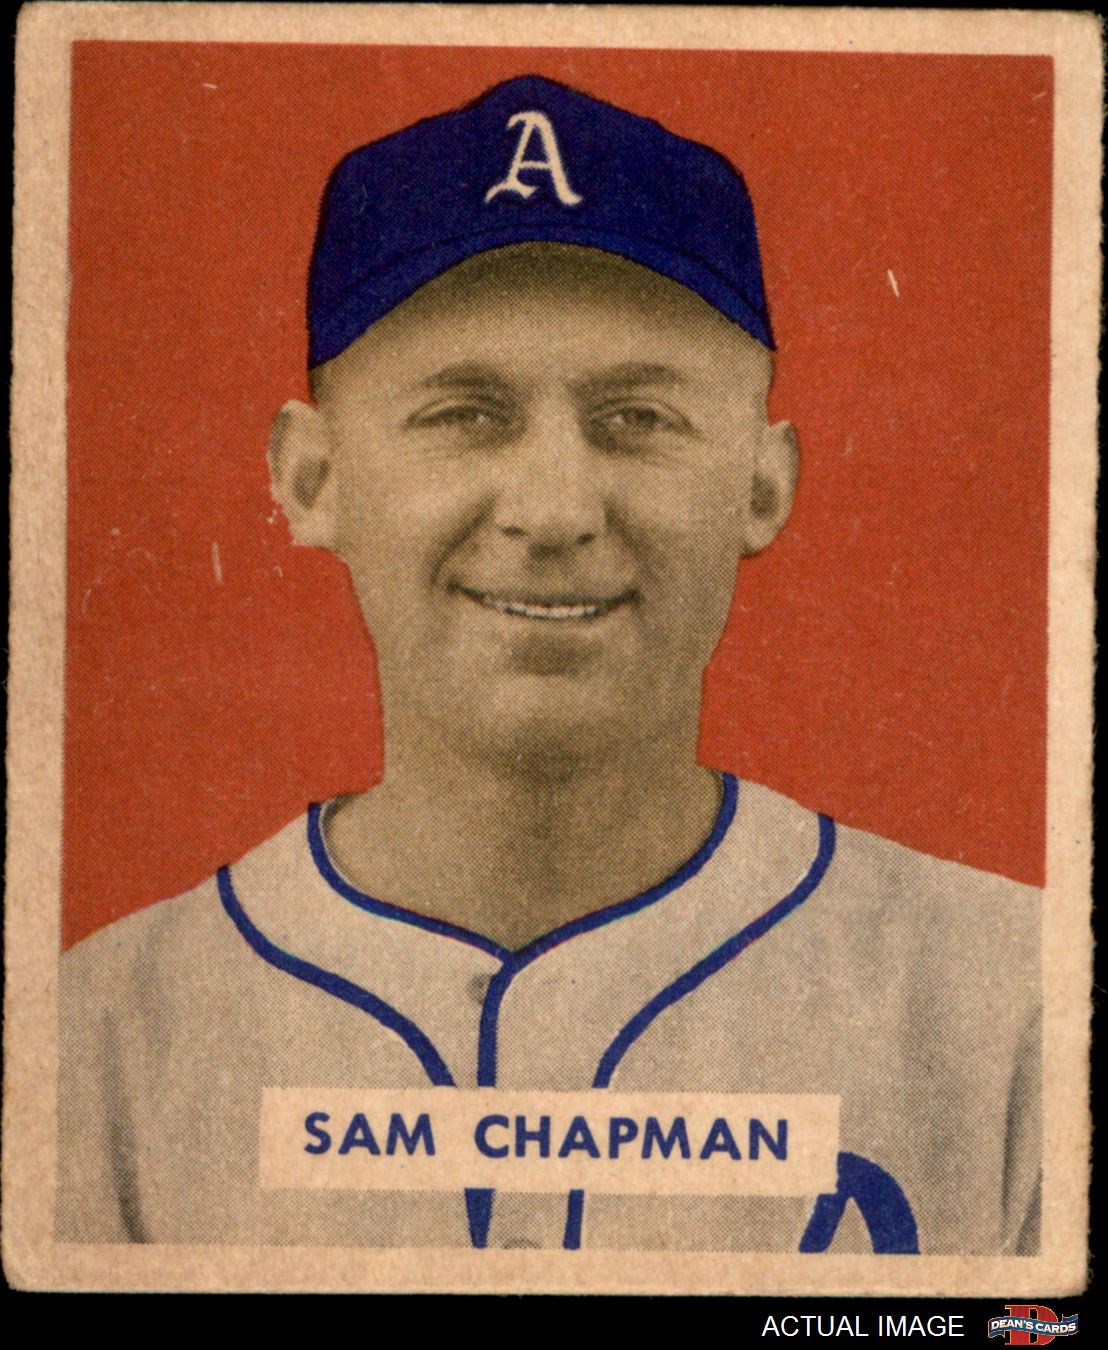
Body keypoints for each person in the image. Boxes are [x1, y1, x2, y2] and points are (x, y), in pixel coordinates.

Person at [58, 75, 1040, 1254]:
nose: (556, 509)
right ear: (311, 479)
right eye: (465, 413)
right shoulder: (92, 1042)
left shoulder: (1016, 1008)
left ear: (761, 483)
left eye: (638, 418)